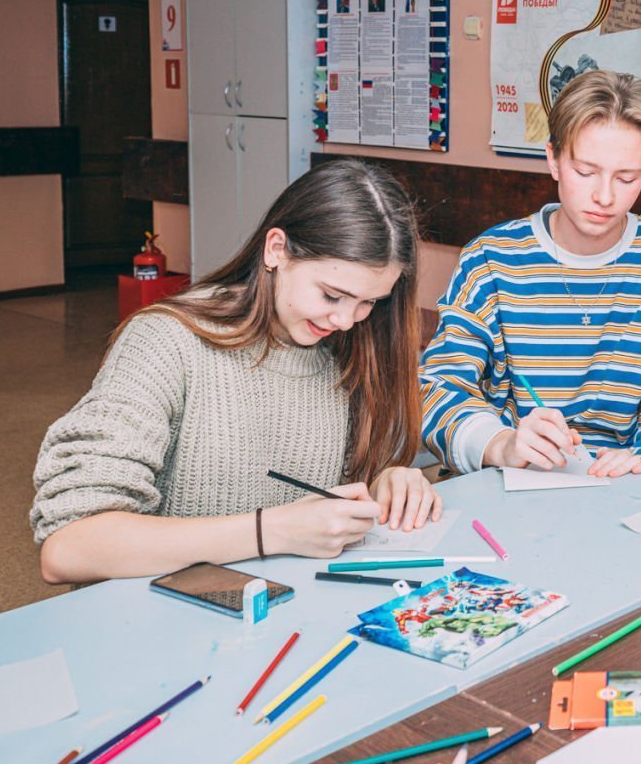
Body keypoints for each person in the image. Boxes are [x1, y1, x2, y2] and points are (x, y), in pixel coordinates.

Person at [33, 160, 439, 583]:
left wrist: (384, 481)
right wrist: (269, 531)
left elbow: (340, 490)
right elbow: (68, 548)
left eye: (368, 302)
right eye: (331, 295)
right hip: (167, 613)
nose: (346, 320)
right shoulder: (166, 340)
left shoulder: (352, 347)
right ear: (276, 249)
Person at [420, 70, 641, 480]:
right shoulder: (490, 260)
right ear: (553, 159)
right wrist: (501, 444)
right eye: (585, 172)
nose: (605, 196)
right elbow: (441, 388)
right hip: (506, 483)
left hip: (621, 491)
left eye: (627, 178)